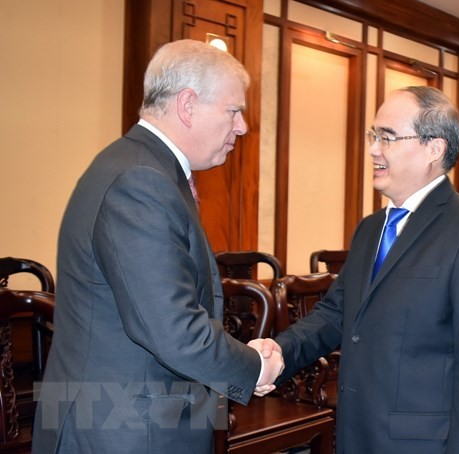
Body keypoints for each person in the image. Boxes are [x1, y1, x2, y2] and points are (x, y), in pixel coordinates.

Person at [32, 39, 283, 453]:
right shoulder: (140, 181)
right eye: (234, 110)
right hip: (127, 429)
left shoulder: (137, 166)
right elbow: (171, 330)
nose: (242, 126)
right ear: (187, 105)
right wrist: (253, 366)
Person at [264, 86, 459, 453]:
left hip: (422, 443)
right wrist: (276, 354)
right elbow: (336, 314)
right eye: (373, 135)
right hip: (355, 429)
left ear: (435, 148)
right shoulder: (370, 228)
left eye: (388, 137)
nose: (373, 149)